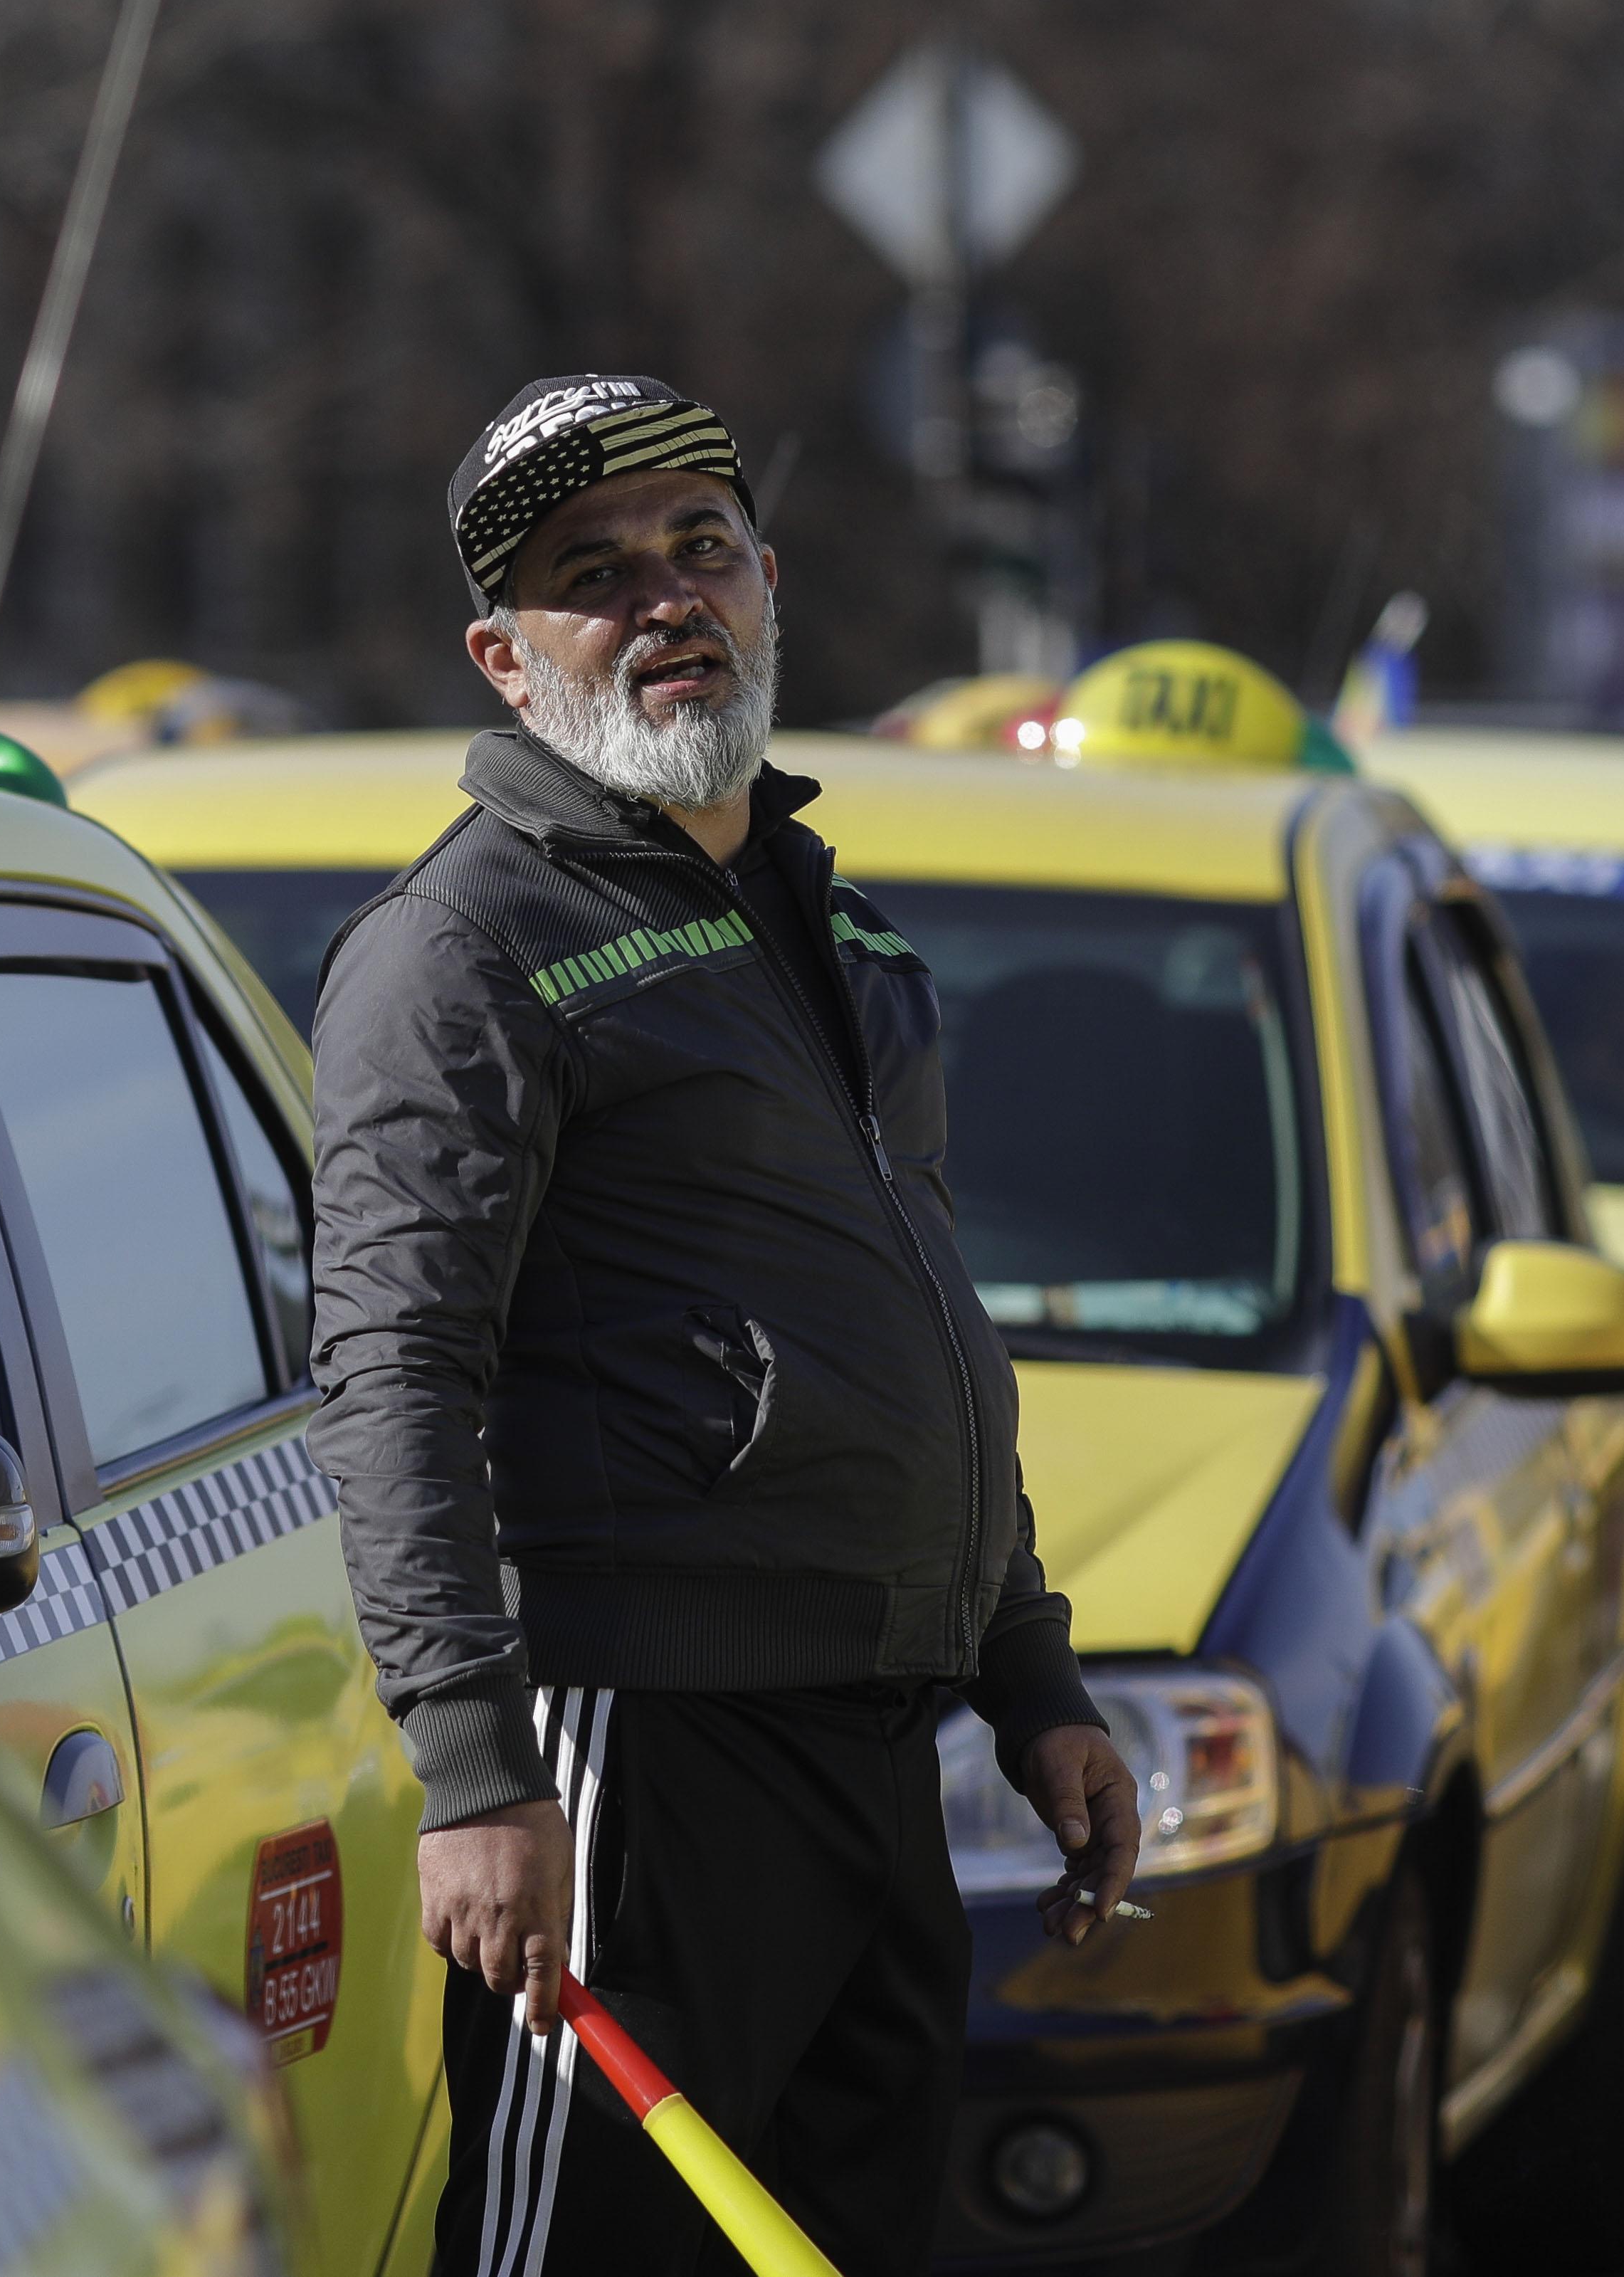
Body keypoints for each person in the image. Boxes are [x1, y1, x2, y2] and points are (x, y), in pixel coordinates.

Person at [305, 376, 1141, 2277]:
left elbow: (926, 1337)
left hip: (872, 1747)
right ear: (507, 661)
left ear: (767, 584)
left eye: (698, 549)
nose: (662, 595)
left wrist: (1032, 1678)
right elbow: (394, 1374)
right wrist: (478, 1772)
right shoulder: (459, 951)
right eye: (591, 576)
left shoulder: (835, 932)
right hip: (632, 1751)